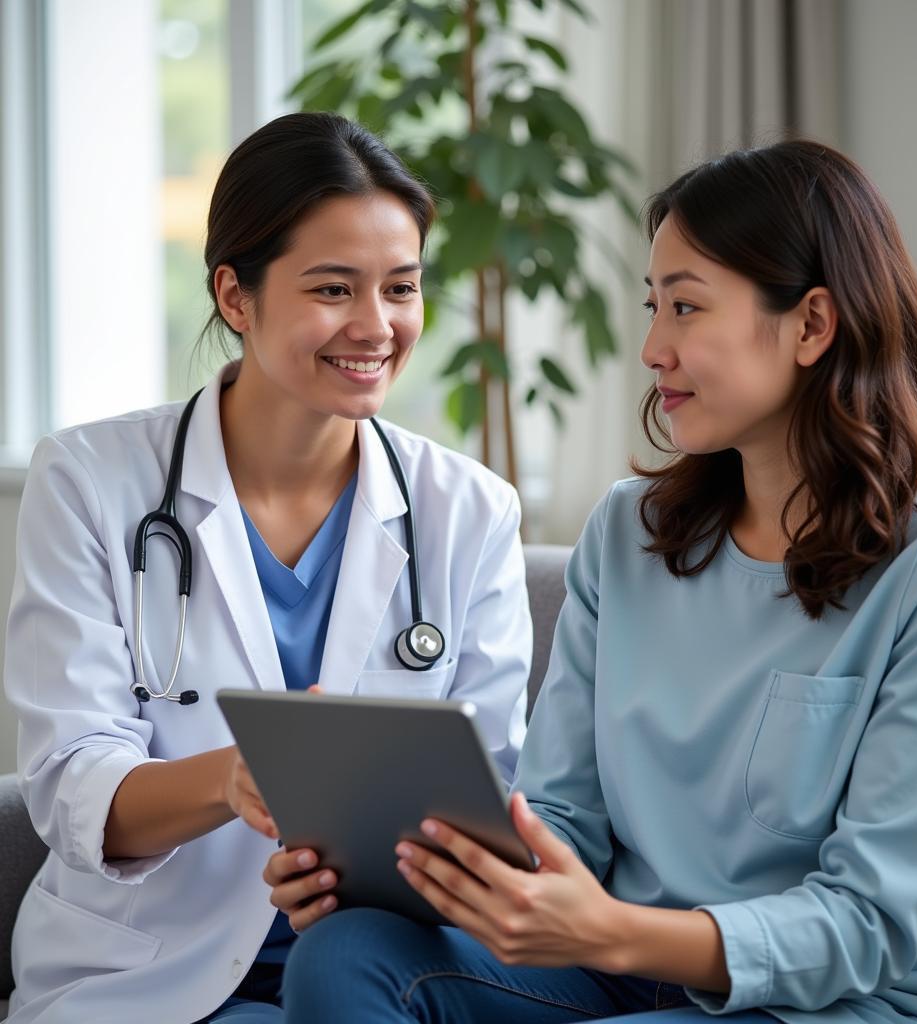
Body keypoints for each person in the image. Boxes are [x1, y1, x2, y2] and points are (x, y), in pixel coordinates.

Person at [273, 140, 917, 1023]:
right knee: (346, 954)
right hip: (609, 968)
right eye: (653, 307)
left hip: (823, 1004)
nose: (653, 348)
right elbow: (561, 815)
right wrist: (409, 872)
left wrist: (610, 933)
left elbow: (872, 921)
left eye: (686, 308)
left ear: (813, 325)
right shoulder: (630, 531)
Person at [3, 112, 530, 1024]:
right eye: (333, 288)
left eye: (400, 287)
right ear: (236, 296)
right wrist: (234, 777)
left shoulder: (469, 509)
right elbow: (71, 784)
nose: (376, 326)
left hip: (382, 967)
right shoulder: (91, 482)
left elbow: (486, 787)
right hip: (146, 973)